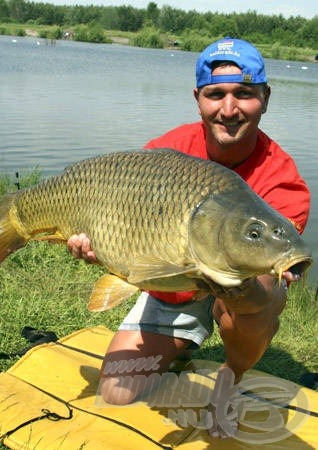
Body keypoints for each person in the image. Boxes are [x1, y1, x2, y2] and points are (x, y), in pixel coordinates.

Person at [67, 37, 310, 438]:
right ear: (198, 98)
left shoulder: (283, 182)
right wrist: (105, 250)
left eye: (244, 94)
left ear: (265, 98)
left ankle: (231, 374)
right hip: (170, 281)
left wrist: (239, 289)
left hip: (240, 288)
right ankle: (181, 345)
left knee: (254, 300)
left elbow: (271, 284)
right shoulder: (167, 154)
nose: (228, 109)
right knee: (115, 390)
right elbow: (128, 238)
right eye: (216, 94)